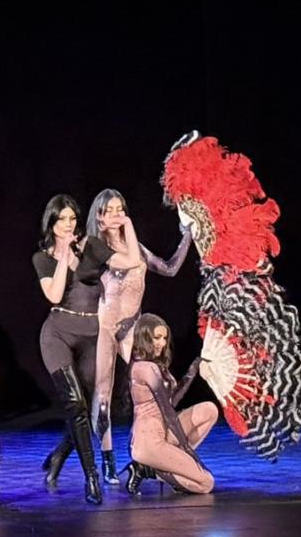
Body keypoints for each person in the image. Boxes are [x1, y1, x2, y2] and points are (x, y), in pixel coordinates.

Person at [33, 194, 141, 505]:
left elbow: (132, 261)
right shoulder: (42, 258)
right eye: (61, 219)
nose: (68, 224)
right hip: (57, 334)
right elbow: (54, 296)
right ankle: (91, 477)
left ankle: (59, 454)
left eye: (72, 218)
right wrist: (65, 254)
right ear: (51, 223)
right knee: (76, 405)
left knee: (84, 406)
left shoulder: (92, 246)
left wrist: (127, 224)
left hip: (92, 334)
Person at [88, 189, 191, 484]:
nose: (117, 215)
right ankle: (107, 460)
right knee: (103, 396)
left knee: (157, 385)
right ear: (100, 216)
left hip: (133, 326)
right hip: (107, 327)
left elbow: (169, 269)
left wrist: (188, 234)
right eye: (110, 210)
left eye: (120, 209)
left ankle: (150, 453)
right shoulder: (97, 248)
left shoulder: (137, 247)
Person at [123, 313, 217, 495]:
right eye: (157, 338)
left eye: (164, 338)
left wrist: (192, 371)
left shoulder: (155, 365)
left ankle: (164, 466)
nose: (162, 343)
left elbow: (171, 401)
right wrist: (187, 449)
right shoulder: (144, 368)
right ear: (144, 337)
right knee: (206, 484)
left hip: (164, 431)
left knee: (209, 410)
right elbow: (168, 412)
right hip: (148, 441)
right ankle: (147, 470)